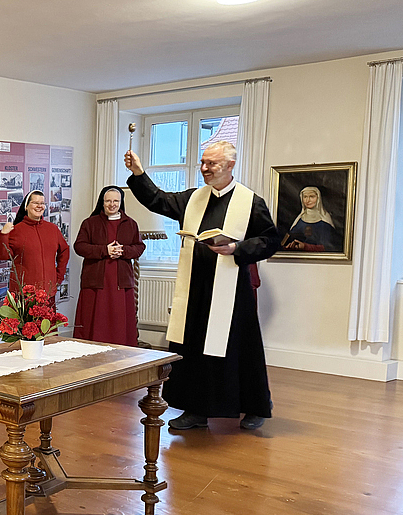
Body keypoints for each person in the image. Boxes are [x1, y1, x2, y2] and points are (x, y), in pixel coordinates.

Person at [124, 141, 280, 432]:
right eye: (203, 162)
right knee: (193, 350)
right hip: (195, 288)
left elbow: (270, 240)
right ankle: (196, 410)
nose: (205, 169)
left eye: (212, 164)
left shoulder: (250, 201)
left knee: (239, 349)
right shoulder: (193, 198)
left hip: (232, 291)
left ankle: (253, 407)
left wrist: (236, 247)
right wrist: (139, 173)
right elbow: (158, 200)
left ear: (230, 166)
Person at [72, 186, 145, 346]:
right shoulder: (90, 223)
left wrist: (123, 251)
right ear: (102, 202)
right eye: (108, 201)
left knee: (119, 320)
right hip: (96, 280)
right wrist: (104, 250)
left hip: (121, 280)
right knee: (95, 318)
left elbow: (139, 247)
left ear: (121, 202)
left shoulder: (131, 224)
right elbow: (79, 246)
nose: (112, 204)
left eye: (116, 201)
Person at [0, 190, 70, 298]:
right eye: (35, 203)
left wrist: (59, 276)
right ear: (26, 206)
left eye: (42, 203)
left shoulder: (52, 229)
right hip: (23, 294)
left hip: (48, 294)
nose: (39, 206)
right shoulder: (15, 230)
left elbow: (64, 250)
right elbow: (4, 255)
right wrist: (3, 234)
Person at [283, 186, 341, 252]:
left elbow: (329, 247)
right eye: (305, 197)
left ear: (318, 198)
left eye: (312, 197)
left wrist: (305, 246)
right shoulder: (298, 220)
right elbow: (288, 241)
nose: (308, 200)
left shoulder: (325, 221)